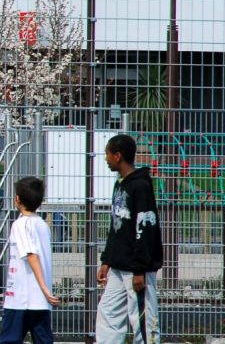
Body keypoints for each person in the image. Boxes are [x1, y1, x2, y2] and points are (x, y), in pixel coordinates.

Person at [96, 134, 163, 344]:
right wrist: (107, 259)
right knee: (108, 312)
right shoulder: (121, 184)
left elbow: (145, 227)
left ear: (117, 156)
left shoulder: (140, 186)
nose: (105, 159)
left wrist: (139, 269)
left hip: (136, 268)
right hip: (118, 265)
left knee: (142, 317)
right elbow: (117, 226)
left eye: (107, 154)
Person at [0, 176, 60, 344]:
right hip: (40, 302)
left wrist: (44, 289)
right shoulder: (42, 225)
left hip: (20, 300)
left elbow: (32, 255)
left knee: (9, 340)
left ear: (17, 199)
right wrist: (45, 291)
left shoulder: (21, 224)